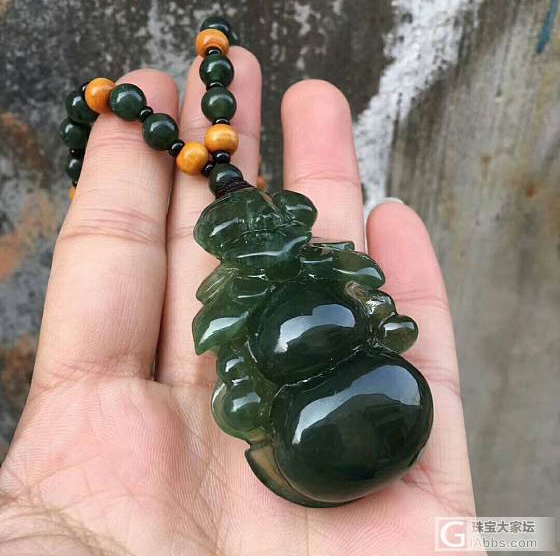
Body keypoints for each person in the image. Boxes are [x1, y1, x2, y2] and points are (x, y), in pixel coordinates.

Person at [0, 48, 475, 555]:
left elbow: (367, 282)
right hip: (308, 422)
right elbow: (221, 342)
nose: (264, 234)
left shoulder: (326, 264)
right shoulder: (238, 298)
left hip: (384, 384)